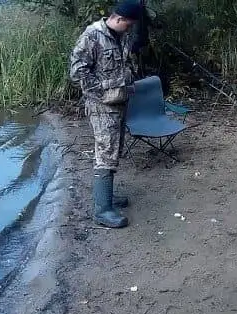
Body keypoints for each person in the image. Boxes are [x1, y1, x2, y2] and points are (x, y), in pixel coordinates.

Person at [69, 1, 144, 229]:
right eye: (129, 25)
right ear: (119, 19)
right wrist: (103, 92)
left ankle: (107, 196)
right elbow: (77, 71)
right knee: (106, 153)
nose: (130, 29)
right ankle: (102, 211)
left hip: (120, 102)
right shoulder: (93, 36)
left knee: (114, 150)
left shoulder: (122, 36)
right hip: (102, 106)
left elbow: (122, 64)